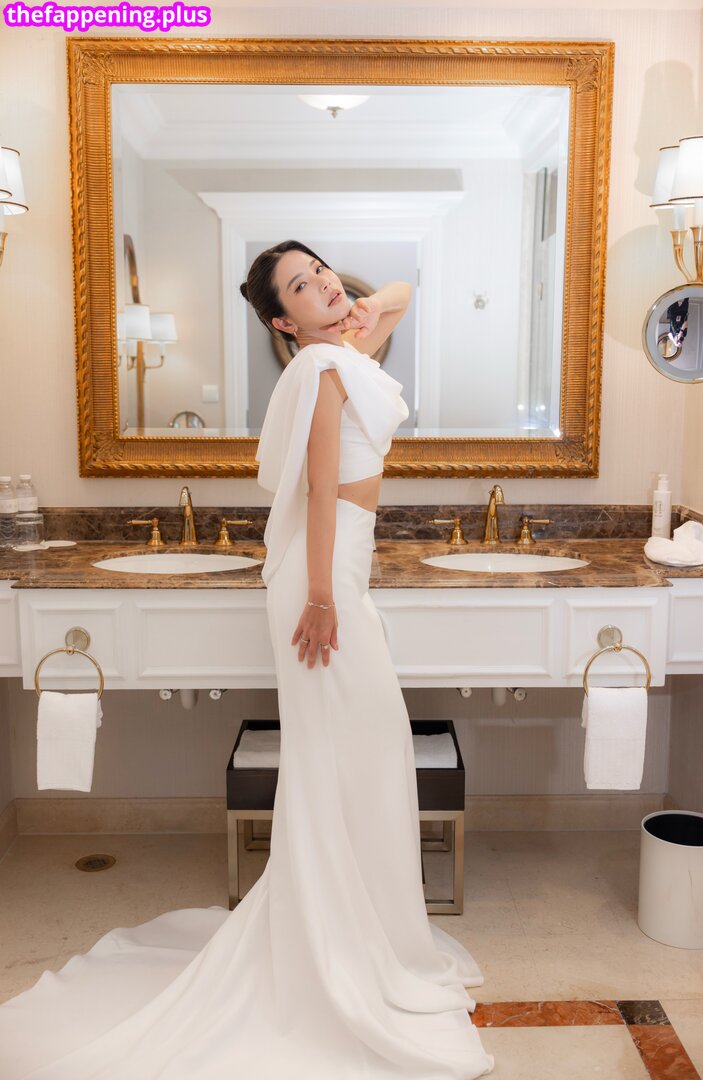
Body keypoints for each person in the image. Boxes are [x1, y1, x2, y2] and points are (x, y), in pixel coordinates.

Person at [0, 241, 495, 1079]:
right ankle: (334, 944)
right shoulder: (320, 369)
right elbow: (319, 488)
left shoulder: (344, 348)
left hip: (337, 570)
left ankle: (359, 929)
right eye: (300, 286)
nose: (323, 284)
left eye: (321, 270)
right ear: (281, 322)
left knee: (362, 755)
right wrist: (321, 597)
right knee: (348, 756)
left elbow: (403, 292)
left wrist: (360, 306)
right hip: (321, 577)